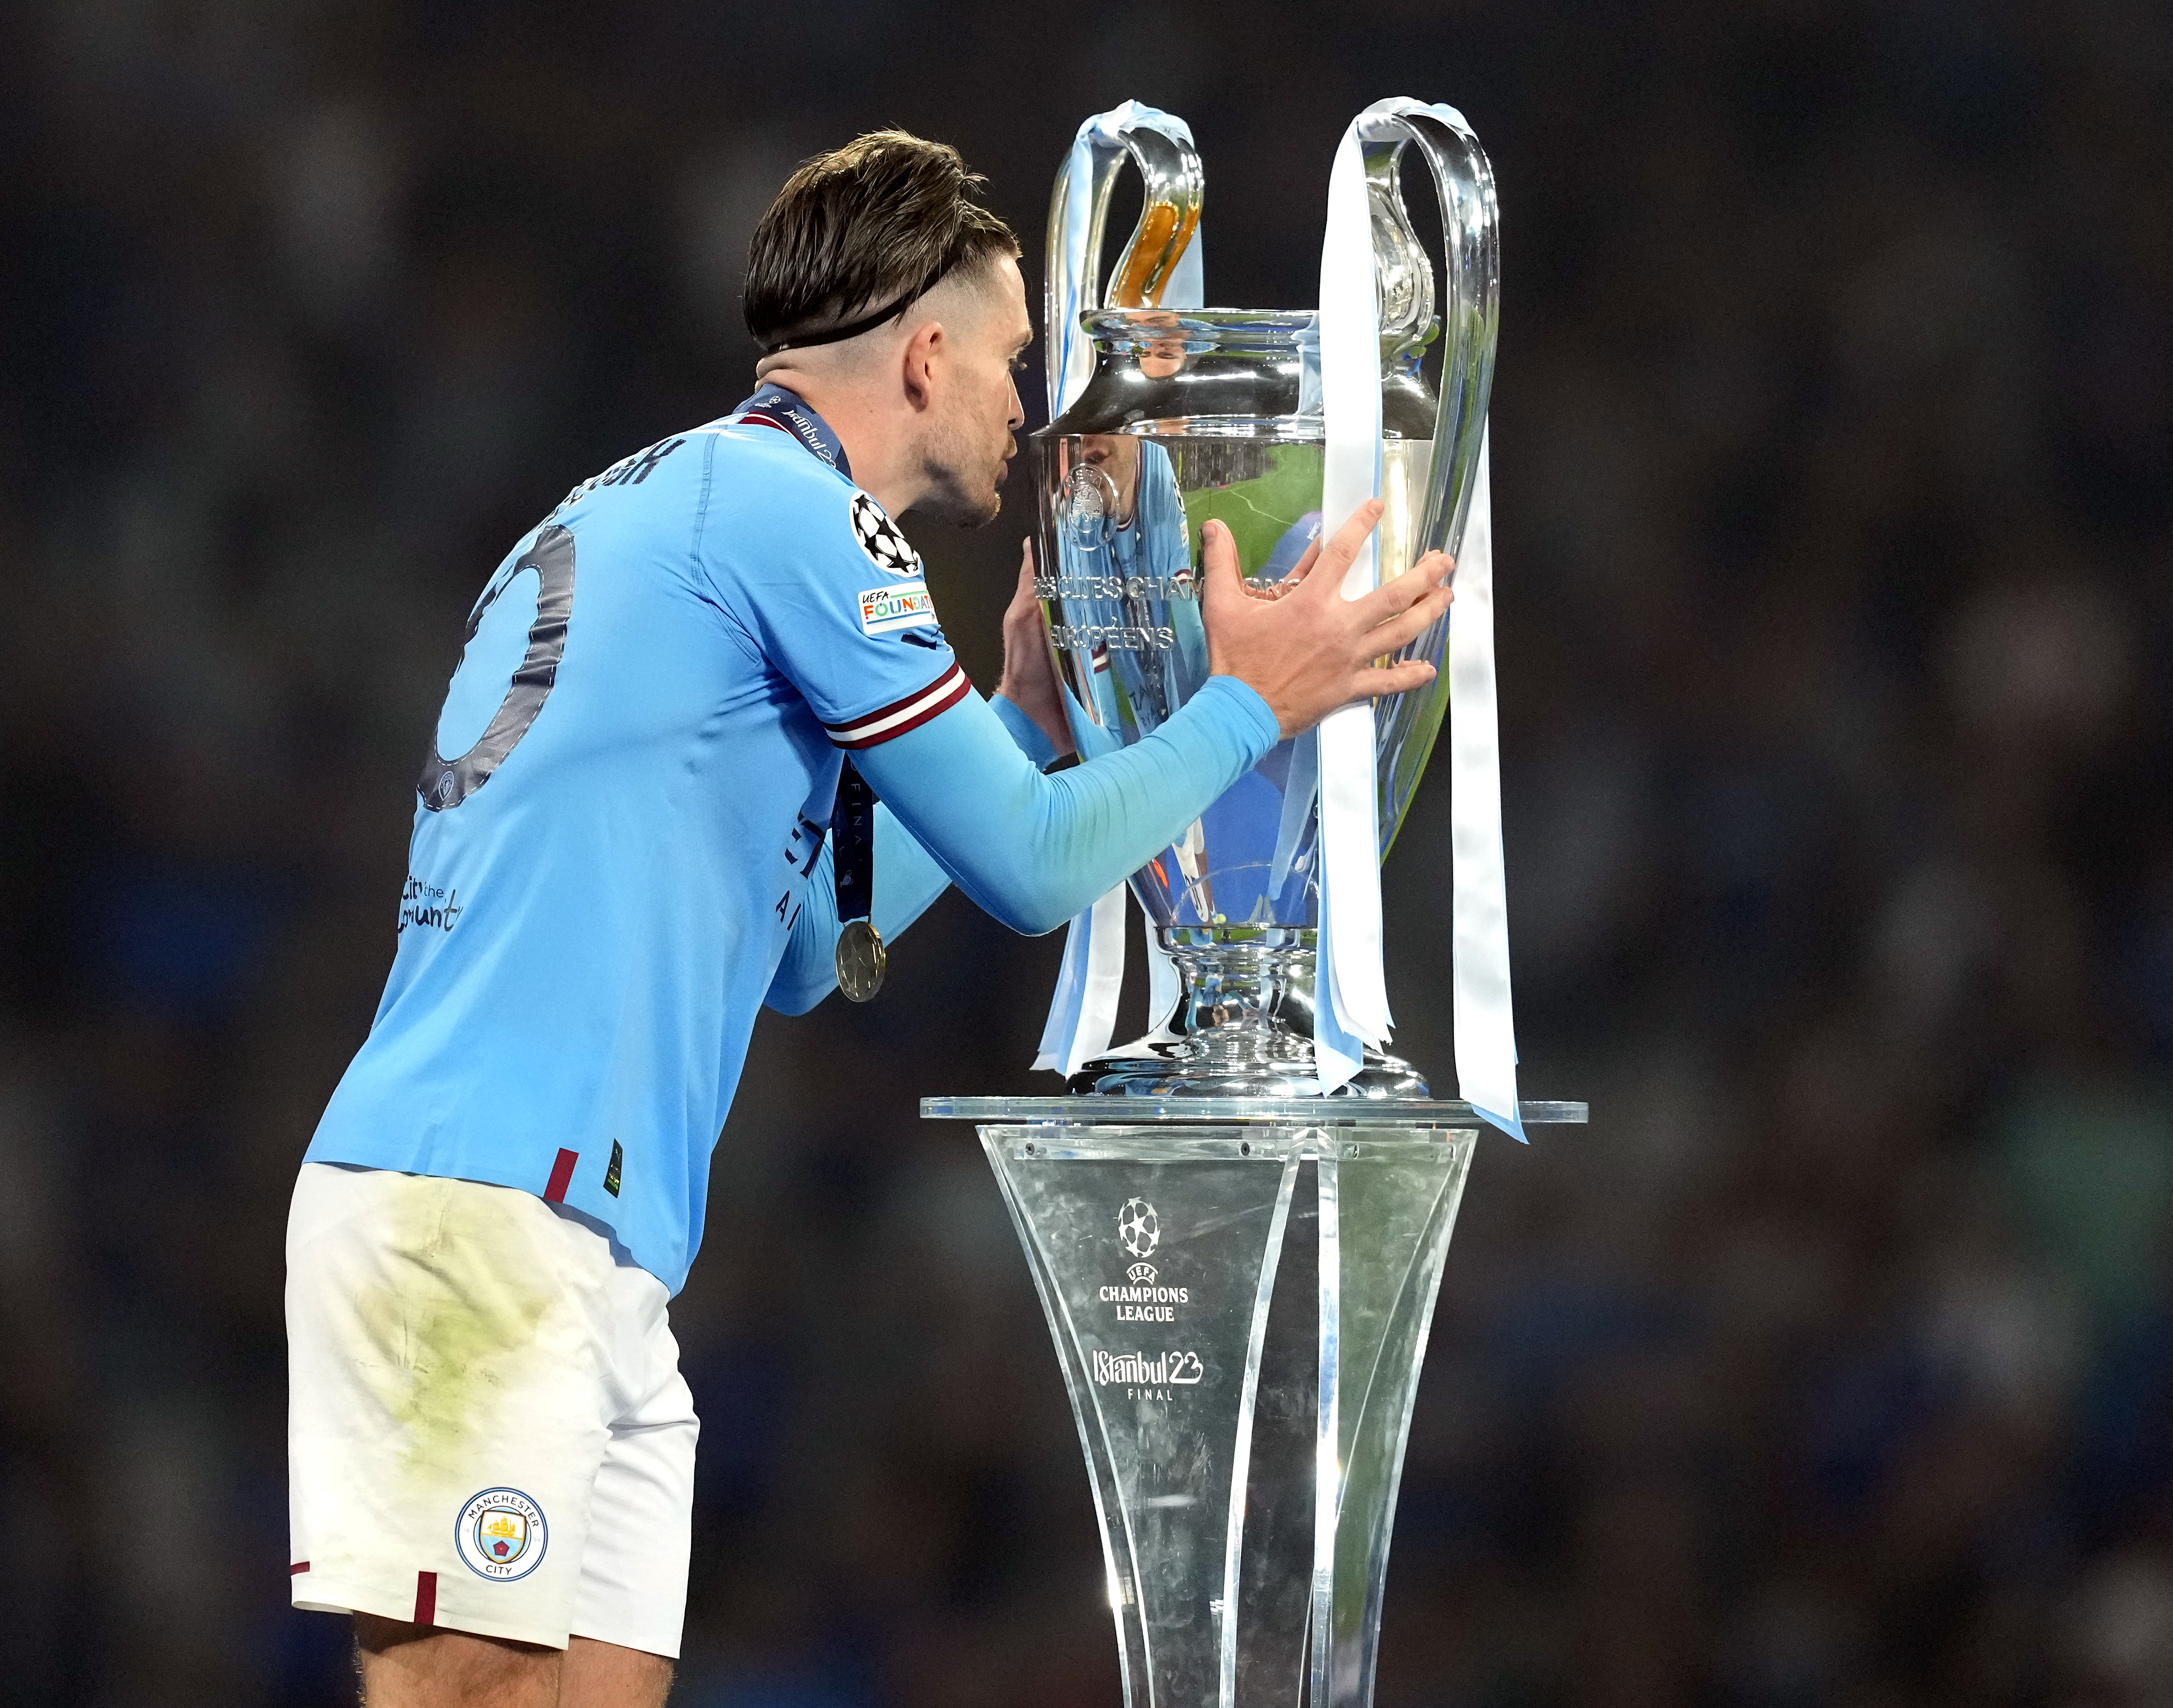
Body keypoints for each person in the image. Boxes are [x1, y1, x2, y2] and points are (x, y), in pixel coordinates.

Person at [285, 130, 1454, 1707]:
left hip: (579, 1241)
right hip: (479, 1219)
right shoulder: (791, 518)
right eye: (1015, 362)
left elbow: (788, 956)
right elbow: (1039, 872)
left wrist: (1029, 725)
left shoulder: (672, 501)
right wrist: (1248, 703)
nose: (1029, 410)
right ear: (922, 360)